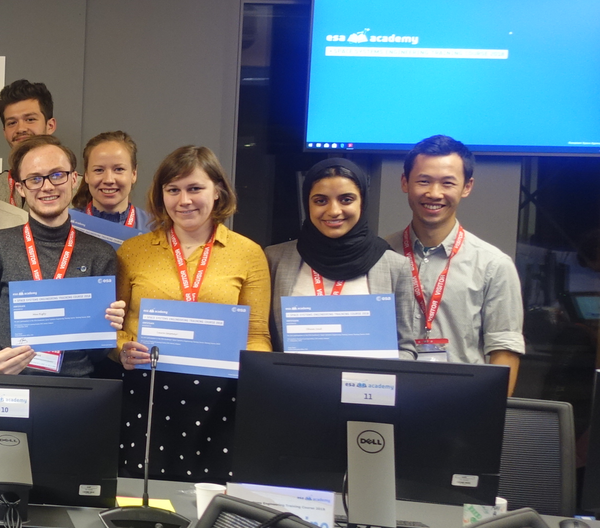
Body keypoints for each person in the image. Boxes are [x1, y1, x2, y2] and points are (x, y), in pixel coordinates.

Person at [115, 146, 272, 482]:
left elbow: (258, 336)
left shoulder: (248, 253)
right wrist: (122, 350)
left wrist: (249, 376)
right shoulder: (133, 251)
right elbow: (115, 325)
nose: (183, 200)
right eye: (173, 190)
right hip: (149, 394)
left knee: (209, 503)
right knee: (142, 497)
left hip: (220, 400)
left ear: (218, 191)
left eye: (194, 188)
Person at [0, 136, 126, 378]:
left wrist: (107, 328)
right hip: (9, 387)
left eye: (57, 175)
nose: (47, 186)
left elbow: (98, 353)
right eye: (34, 178)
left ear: (74, 179)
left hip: (75, 391)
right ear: (20, 188)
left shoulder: (100, 254)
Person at [394, 135, 524, 389]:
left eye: (447, 183)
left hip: (462, 404)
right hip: (388, 398)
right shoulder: (380, 255)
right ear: (405, 183)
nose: (434, 193)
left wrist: (488, 418)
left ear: (466, 187)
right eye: (424, 181)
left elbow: (504, 351)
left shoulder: (494, 265)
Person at [265, 157, 419, 359]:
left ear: (362, 202)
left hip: (364, 387)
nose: (334, 211)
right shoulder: (274, 259)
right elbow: (262, 337)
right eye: (321, 201)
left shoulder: (394, 266)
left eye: (346, 199)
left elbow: (406, 348)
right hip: (295, 387)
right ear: (307, 203)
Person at [0, 78, 58, 207]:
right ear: (4, 132)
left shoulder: (77, 188)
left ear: (50, 125)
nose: (20, 129)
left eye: (30, 119)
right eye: (12, 123)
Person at [73, 130, 142, 229]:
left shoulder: (155, 228)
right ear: (86, 175)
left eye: (119, 169)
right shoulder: (68, 224)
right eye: (99, 170)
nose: (108, 180)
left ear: (134, 174)